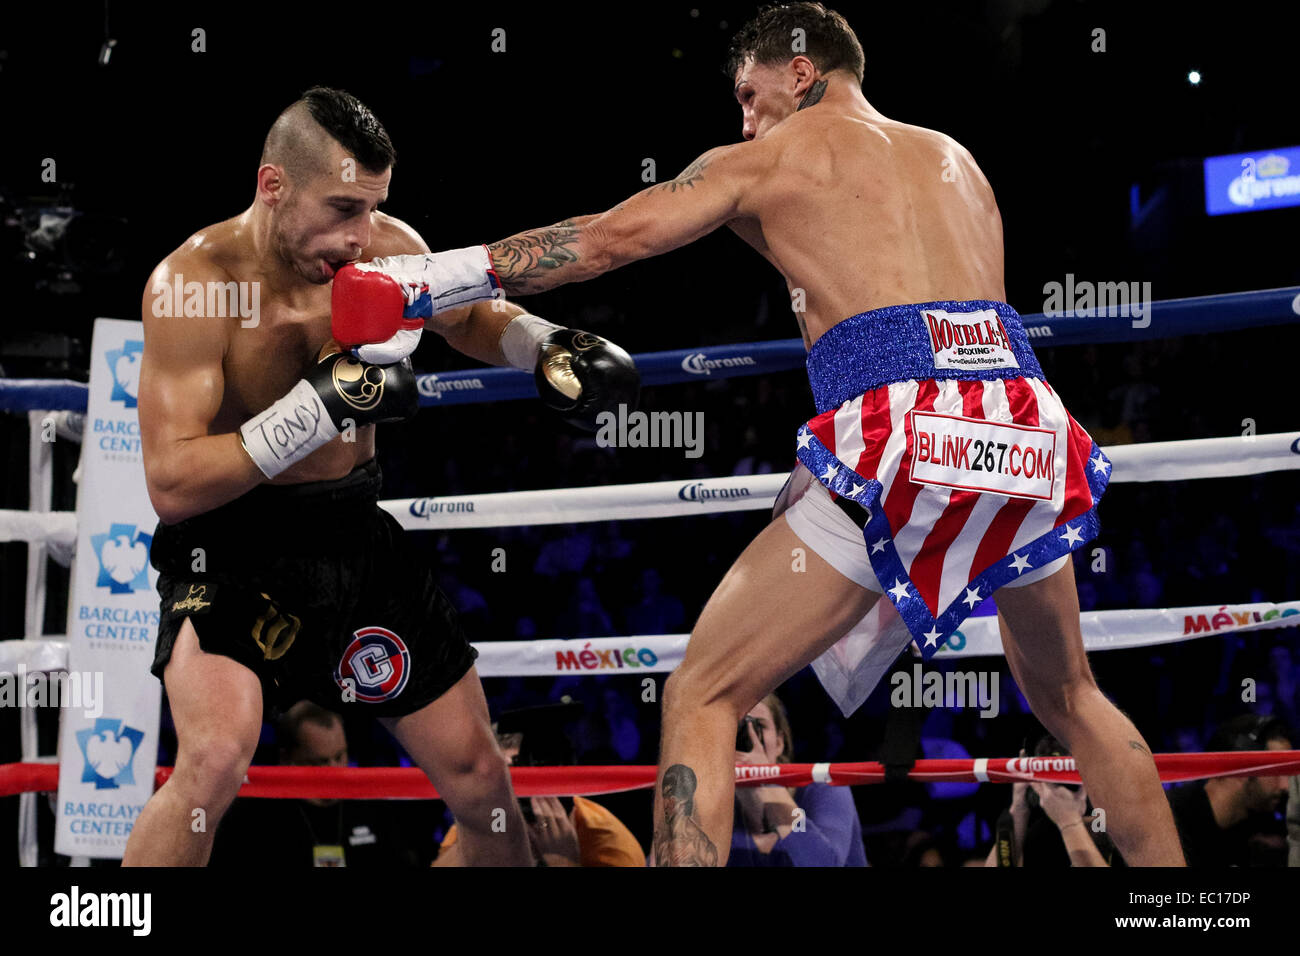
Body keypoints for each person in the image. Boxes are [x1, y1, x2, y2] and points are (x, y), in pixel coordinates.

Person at [336, 3, 1183, 866]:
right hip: (1028, 419)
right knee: (1071, 694)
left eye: (749, 92)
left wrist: (426, 280)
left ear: (801, 71)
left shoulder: (770, 156)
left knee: (703, 694)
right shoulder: (955, 159)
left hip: (908, 426)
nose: (742, 118)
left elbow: (607, 239)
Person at [127, 86, 635, 866]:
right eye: (341, 209)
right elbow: (171, 480)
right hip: (229, 551)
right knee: (214, 761)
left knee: (479, 774)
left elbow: (468, 314)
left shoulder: (386, 247)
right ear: (274, 186)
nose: (362, 236)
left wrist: (542, 345)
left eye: (372, 207)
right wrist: (317, 410)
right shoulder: (193, 286)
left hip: (353, 539)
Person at [210, 701, 438, 867]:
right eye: (319, 762)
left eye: (340, 757)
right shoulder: (253, 817)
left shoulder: (373, 808)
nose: (335, 770)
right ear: (287, 759)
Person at [433, 702, 644, 866]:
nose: (521, 796)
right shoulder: (484, 826)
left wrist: (563, 861)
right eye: (512, 781)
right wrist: (482, 842)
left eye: (530, 780)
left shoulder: (606, 841)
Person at [728, 693, 866, 866]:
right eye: (738, 726)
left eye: (758, 726)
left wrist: (764, 780)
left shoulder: (823, 788)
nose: (747, 735)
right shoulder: (713, 805)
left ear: (779, 743)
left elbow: (823, 864)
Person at [1168, 714, 1293, 866]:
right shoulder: (1170, 820)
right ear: (1244, 768)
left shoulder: (1261, 833)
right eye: (1276, 772)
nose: (1285, 786)